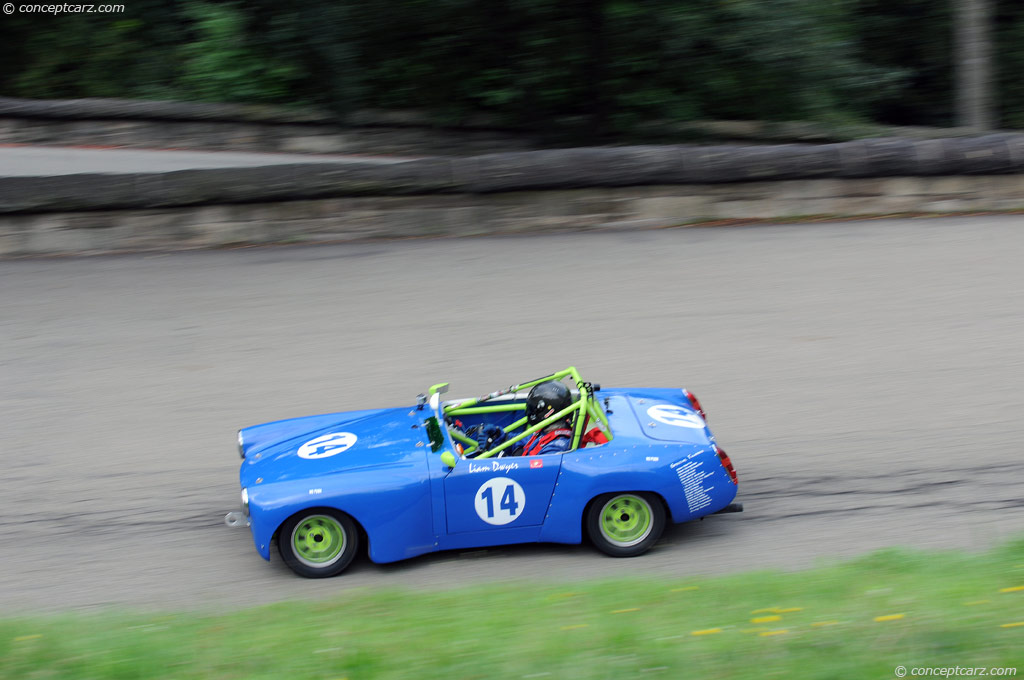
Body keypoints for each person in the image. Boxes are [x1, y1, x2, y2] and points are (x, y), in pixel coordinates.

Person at [520, 380, 576, 456]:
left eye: (533, 407)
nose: (531, 411)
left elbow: (536, 465)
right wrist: (502, 436)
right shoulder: (545, 431)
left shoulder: (555, 448)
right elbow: (524, 440)